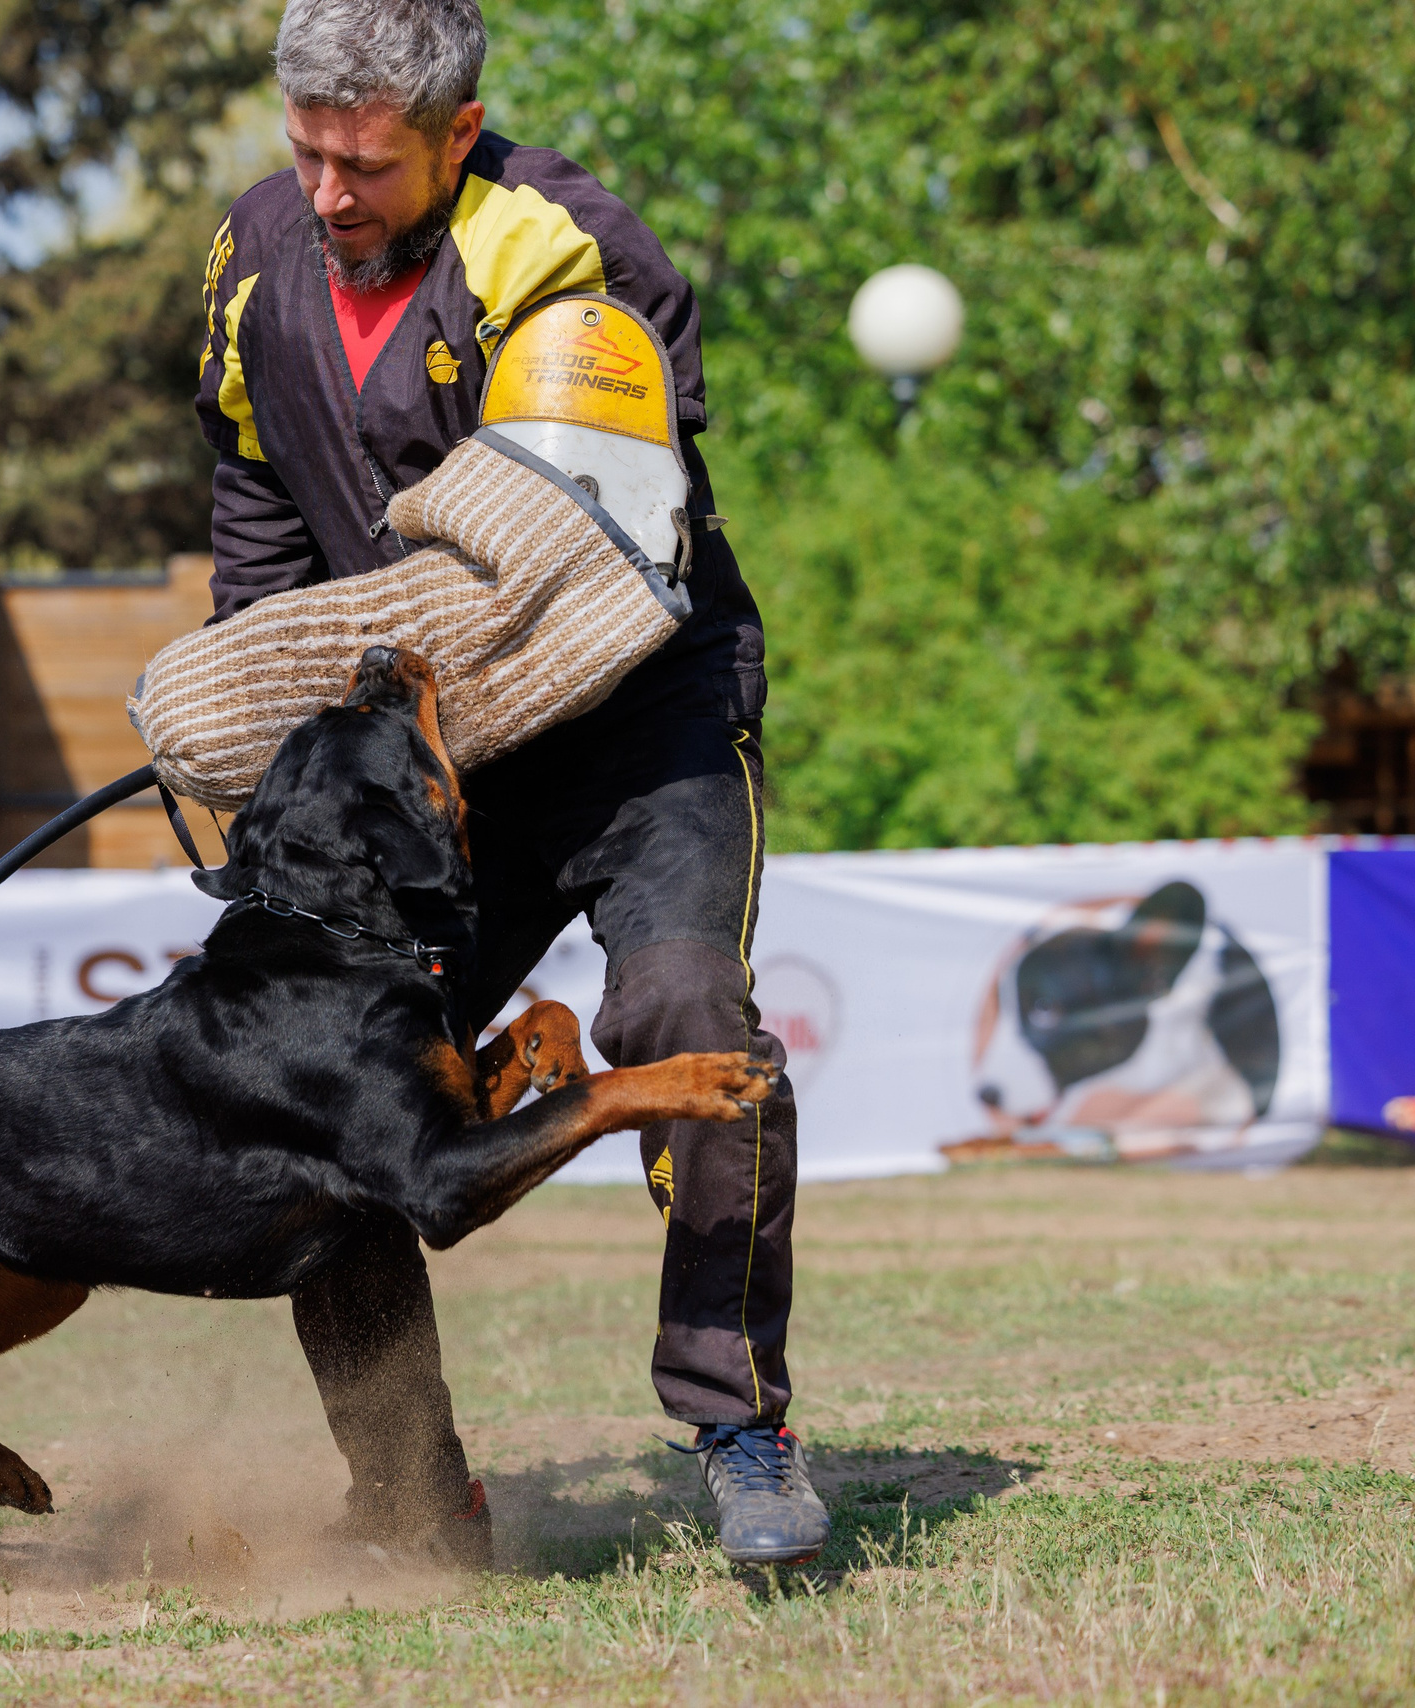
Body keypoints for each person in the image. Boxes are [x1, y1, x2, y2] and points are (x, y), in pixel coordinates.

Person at [195, 0, 830, 1568]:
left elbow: (566, 546)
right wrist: (261, 689)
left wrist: (369, 674)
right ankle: (412, 1494)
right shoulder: (254, 256)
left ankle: (741, 1426)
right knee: (311, 1076)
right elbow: (257, 487)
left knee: (683, 1011)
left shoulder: (571, 252)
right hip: (431, 761)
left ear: (459, 134)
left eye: (367, 165)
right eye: (308, 153)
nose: (328, 194)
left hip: (637, 726)